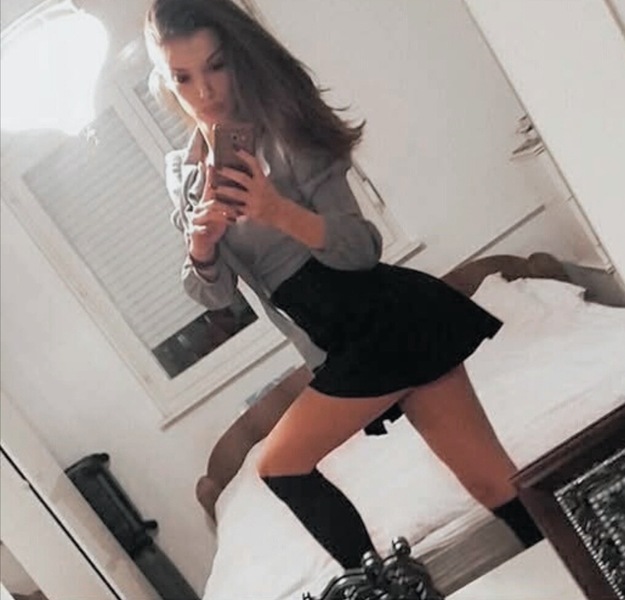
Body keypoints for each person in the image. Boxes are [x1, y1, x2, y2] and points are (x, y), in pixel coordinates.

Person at [144, 0, 543, 571]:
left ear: (239, 59)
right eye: (183, 77)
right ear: (165, 81)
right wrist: (202, 248)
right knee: (488, 480)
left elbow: (361, 250)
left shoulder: (287, 131)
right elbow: (219, 296)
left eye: (216, 65)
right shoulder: (185, 177)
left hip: (384, 318)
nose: (204, 91)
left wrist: (277, 210)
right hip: (342, 338)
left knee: (285, 465)